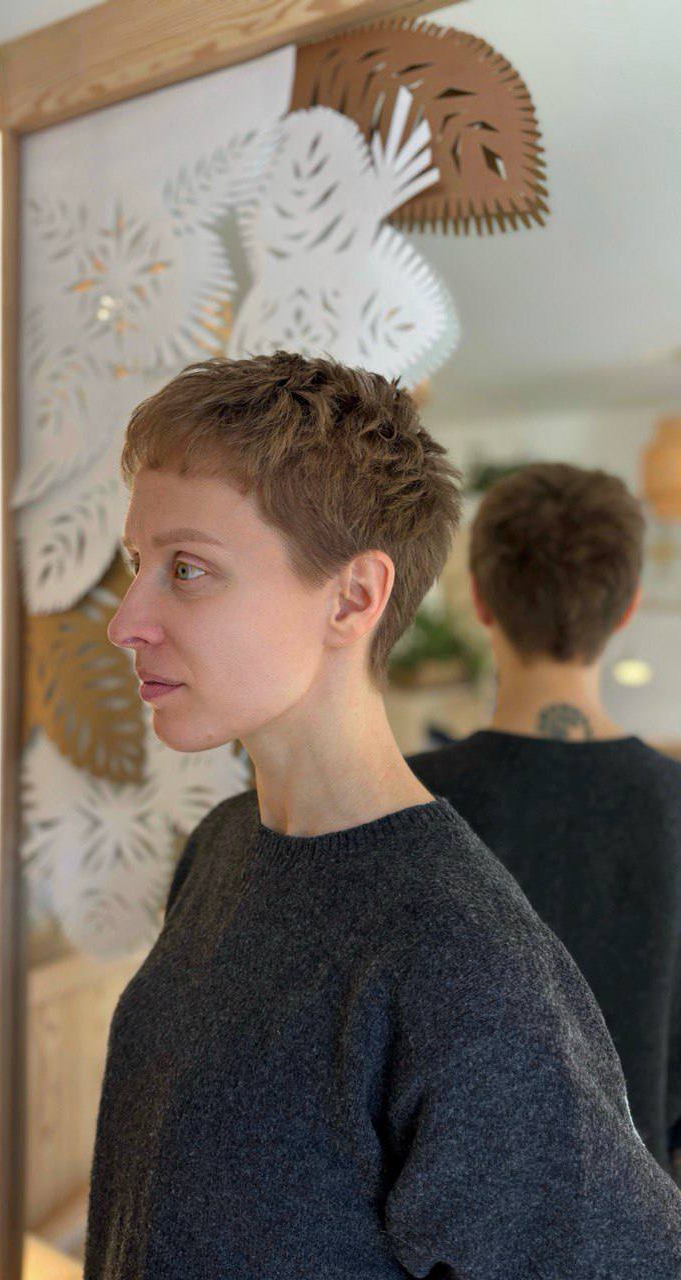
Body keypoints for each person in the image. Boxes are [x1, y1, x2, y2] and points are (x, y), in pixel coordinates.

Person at [86, 354, 681, 1280]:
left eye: (188, 569)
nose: (127, 620)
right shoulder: (224, 846)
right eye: (138, 564)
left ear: (354, 597)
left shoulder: (461, 961)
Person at [408, 461, 681, 1181]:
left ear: (480, 599)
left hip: (441, 1219)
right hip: (641, 1218)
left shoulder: (403, 800)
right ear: (628, 607)